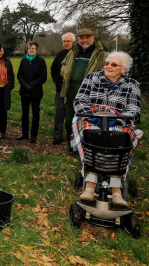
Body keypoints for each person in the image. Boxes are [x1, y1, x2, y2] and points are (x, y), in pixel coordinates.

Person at [72, 52, 142, 206]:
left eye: (114, 64)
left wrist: (116, 119)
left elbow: (133, 109)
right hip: (90, 115)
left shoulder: (132, 84)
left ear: (124, 69)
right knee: (92, 138)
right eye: (107, 63)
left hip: (119, 118)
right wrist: (89, 115)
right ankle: (90, 186)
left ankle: (116, 189)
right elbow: (80, 100)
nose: (108, 67)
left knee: (119, 141)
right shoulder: (92, 78)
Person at [60, 28, 109, 151]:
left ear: (93, 37)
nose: (84, 40)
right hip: (71, 90)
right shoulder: (73, 52)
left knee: (87, 119)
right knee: (69, 120)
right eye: (82, 37)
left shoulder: (102, 54)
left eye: (87, 37)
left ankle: (87, 146)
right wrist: (66, 74)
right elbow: (63, 66)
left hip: (89, 92)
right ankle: (72, 146)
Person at [16, 41, 47, 143]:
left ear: (36, 49)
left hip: (36, 92)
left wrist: (32, 85)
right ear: (27, 49)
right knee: (24, 114)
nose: (31, 50)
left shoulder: (41, 61)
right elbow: (19, 74)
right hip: (24, 92)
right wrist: (24, 84)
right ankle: (24, 133)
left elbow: (43, 77)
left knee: (35, 114)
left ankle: (33, 135)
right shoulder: (23, 61)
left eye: (33, 48)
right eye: (29, 48)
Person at [51, 32, 75, 145]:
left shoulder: (77, 54)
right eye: (64, 41)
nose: (66, 43)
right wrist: (57, 82)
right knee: (59, 114)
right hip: (60, 90)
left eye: (68, 41)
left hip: (73, 90)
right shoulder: (60, 54)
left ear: (73, 42)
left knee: (72, 114)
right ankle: (57, 136)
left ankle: (72, 136)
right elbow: (53, 69)